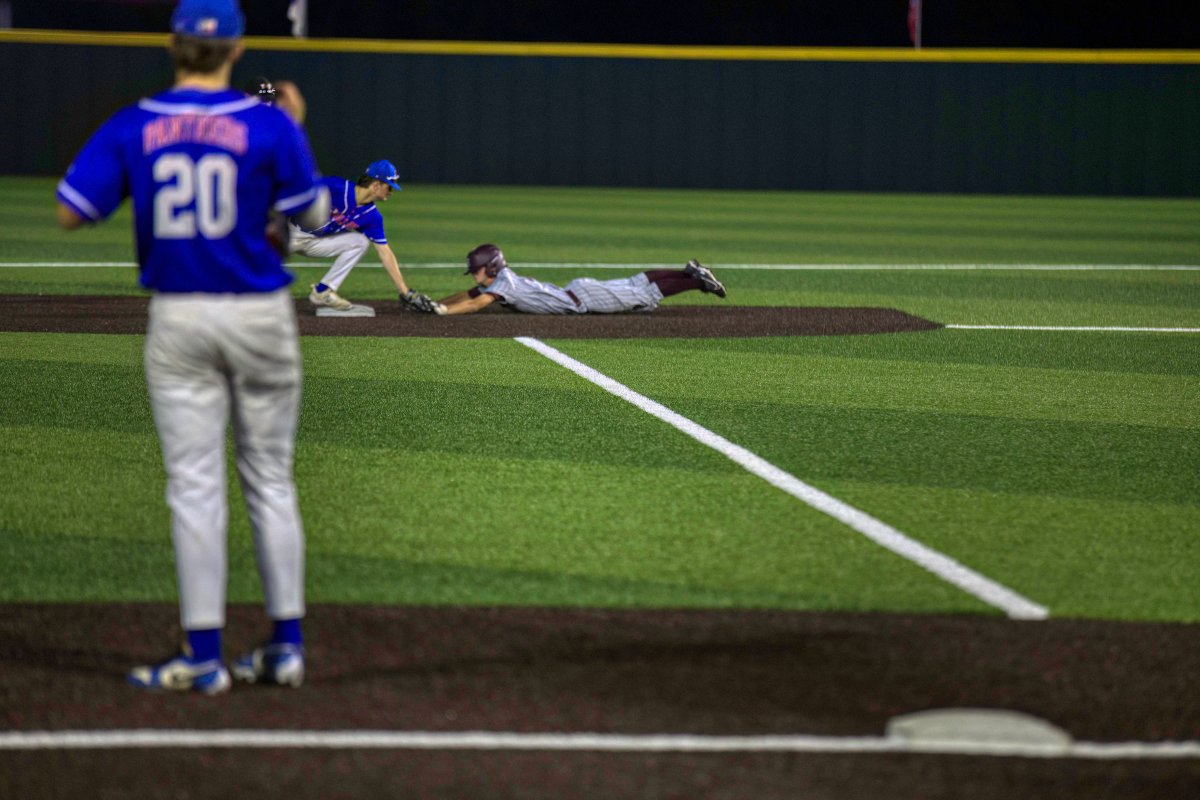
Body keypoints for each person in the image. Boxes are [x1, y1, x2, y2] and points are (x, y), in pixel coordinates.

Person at [55, 0, 329, 695]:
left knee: (195, 486)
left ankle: (204, 657)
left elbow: (70, 211)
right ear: (236, 51)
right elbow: (314, 213)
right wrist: (293, 128)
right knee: (271, 480)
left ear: (172, 46)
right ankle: (286, 648)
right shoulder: (269, 122)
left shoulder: (134, 123)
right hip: (261, 314)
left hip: (180, 315)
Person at [428, 243, 727, 315]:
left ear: (491, 267)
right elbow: (468, 295)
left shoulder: (502, 284)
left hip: (583, 298)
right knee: (636, 283)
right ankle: (690, 273)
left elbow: (476, 303)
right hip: (578, 291)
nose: (475, 274)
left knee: (642, 293)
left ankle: (696, 280)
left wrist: (443, 312)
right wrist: (436, 304)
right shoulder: (500, 278)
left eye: (477, 269)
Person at [291, 160, 429, 311]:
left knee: (360, 242)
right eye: (389, 186)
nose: (391, 192)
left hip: (315, 243)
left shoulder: (372, 217)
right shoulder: (336, 186)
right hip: (289, 233)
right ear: (376, 185)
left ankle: (322, 291)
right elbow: (298, 188)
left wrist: (405, 291)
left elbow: (385, 253)